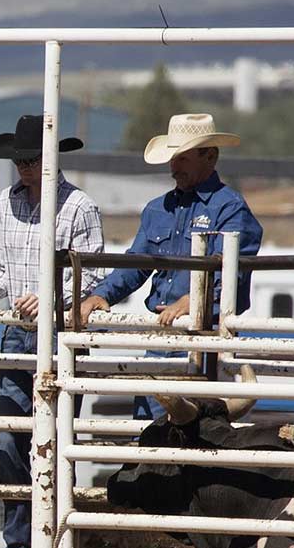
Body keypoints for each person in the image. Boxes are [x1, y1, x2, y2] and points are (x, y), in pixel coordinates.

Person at [0, 115, 107, 548]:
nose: (24, 166)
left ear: (49, 158)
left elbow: (92, 272)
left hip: (60, 337)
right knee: (9, 442)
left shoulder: (80, 206)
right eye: (19, 159)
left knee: (57, 442)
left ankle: (57, 542)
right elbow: (2, 268)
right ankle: (20, 544)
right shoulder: (6, 201)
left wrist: (50, 298)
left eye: (31, 158)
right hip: (17, 333)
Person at [75, 113, 262, 419]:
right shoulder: (158, 209)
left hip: (207, 342)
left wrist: (196, 301)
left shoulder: (230, 208)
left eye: (182, 158)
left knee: (198, 436)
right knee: (152, 432)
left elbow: (234, 275)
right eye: (173, 158)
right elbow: (136, 263)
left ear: (210, 156)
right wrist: (103, 295)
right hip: (162, 338)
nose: (174, 167)